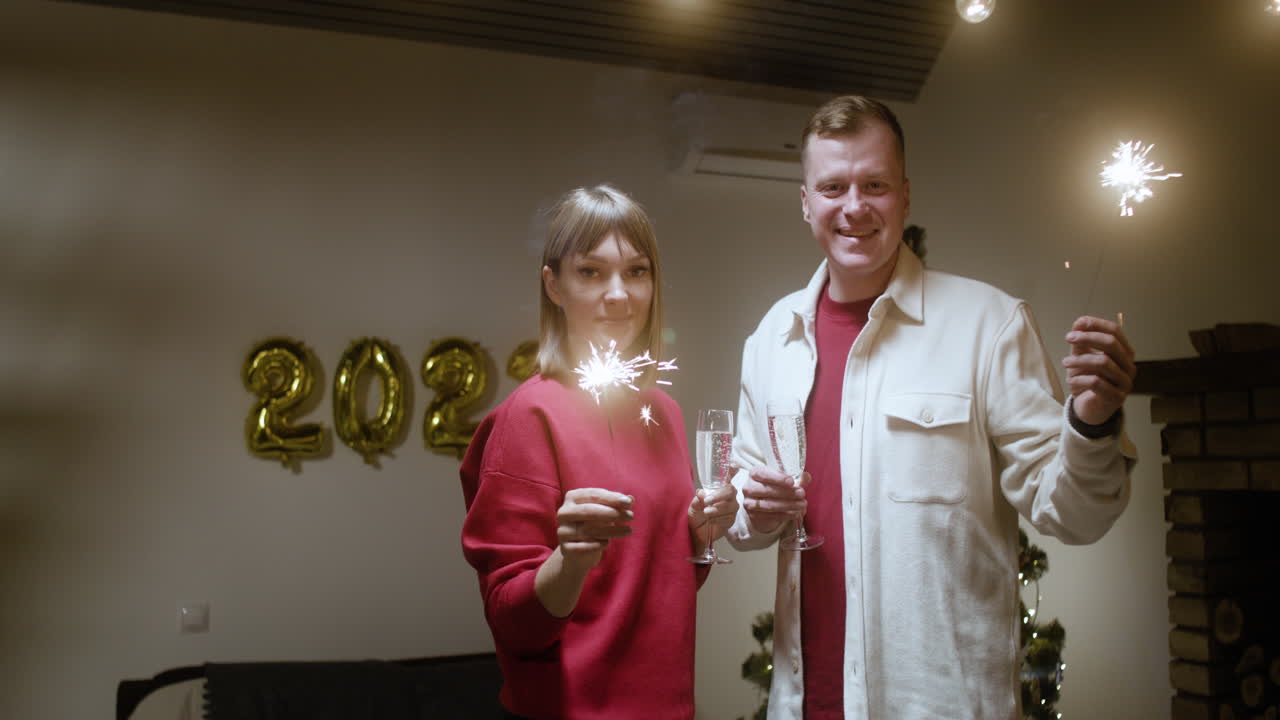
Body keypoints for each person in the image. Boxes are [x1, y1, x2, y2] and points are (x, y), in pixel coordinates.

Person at [725, 96, 1138, 719]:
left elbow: (1074, 515)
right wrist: (753, 509)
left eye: (875, 185)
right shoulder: (771, 340)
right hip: (802, 706)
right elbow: (741, 509)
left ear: (905, 196)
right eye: (833, 187)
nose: (854, 206)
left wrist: (1092, 420)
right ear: (806, 202)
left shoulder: (989, 325)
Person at [459, 184, 738, 720]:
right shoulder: (529, 416)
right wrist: (569, 563)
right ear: (554, 285)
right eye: (591, 272)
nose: (619, 294)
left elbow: (660, 584)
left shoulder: (663, 413)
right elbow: (513, 622)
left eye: (636, 271)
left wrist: (703, 531)